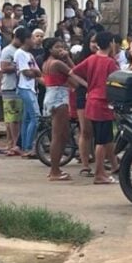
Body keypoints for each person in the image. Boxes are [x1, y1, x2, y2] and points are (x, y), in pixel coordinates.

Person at [71, 32, 120, 184]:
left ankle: (102, 171)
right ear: (111, 43)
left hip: (91, 100)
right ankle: (100, 173)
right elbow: (118, 81)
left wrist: (88, 86)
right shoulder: (110, 63)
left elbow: (73, 72)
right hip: (103, 103)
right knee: (102, 140)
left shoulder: (91, 59)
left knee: (97, 137)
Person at [42, 38, 87, 181]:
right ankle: (54, 170)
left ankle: (56, 168)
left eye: (62, 47)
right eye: (57, 47)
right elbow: (76, 73)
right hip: (59, 98)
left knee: (62, 134)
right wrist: (88, 85)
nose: (61, 49)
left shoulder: (47, 63)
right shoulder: (57, 63)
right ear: (50, 49)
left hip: (52, 95)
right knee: (58, 135)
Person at [72, 31, 97, 176]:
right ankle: (85, 164)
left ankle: (95, 158)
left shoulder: (106, 58)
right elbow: (73, 73)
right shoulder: (84, 59)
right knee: (85, 130)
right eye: (92, 41)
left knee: (97, 131)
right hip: (84, 95)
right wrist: (88, 85)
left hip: (99, 97)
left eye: (97, 41)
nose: (95, 44)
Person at [14, 28, 42, 158]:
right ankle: (29, 146)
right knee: (36, 118)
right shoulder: (20, 53)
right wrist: (34, 72)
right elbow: (27, 72)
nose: (33, 40)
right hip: (24, 87)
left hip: (31, 87)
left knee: (27, 119)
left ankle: (25, 146)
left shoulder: (29, 55)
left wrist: (35, 72)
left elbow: (38, 72)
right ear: (26, 39)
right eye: (31, 38)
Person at [0, 28, 25, 156]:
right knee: (13, 118)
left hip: (17, 87)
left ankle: (13, 144)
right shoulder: (7, 51)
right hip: (10, 87)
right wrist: (19, 66)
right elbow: (3, 68)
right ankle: (14, 144)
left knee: (15, 118)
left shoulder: (20, 51)